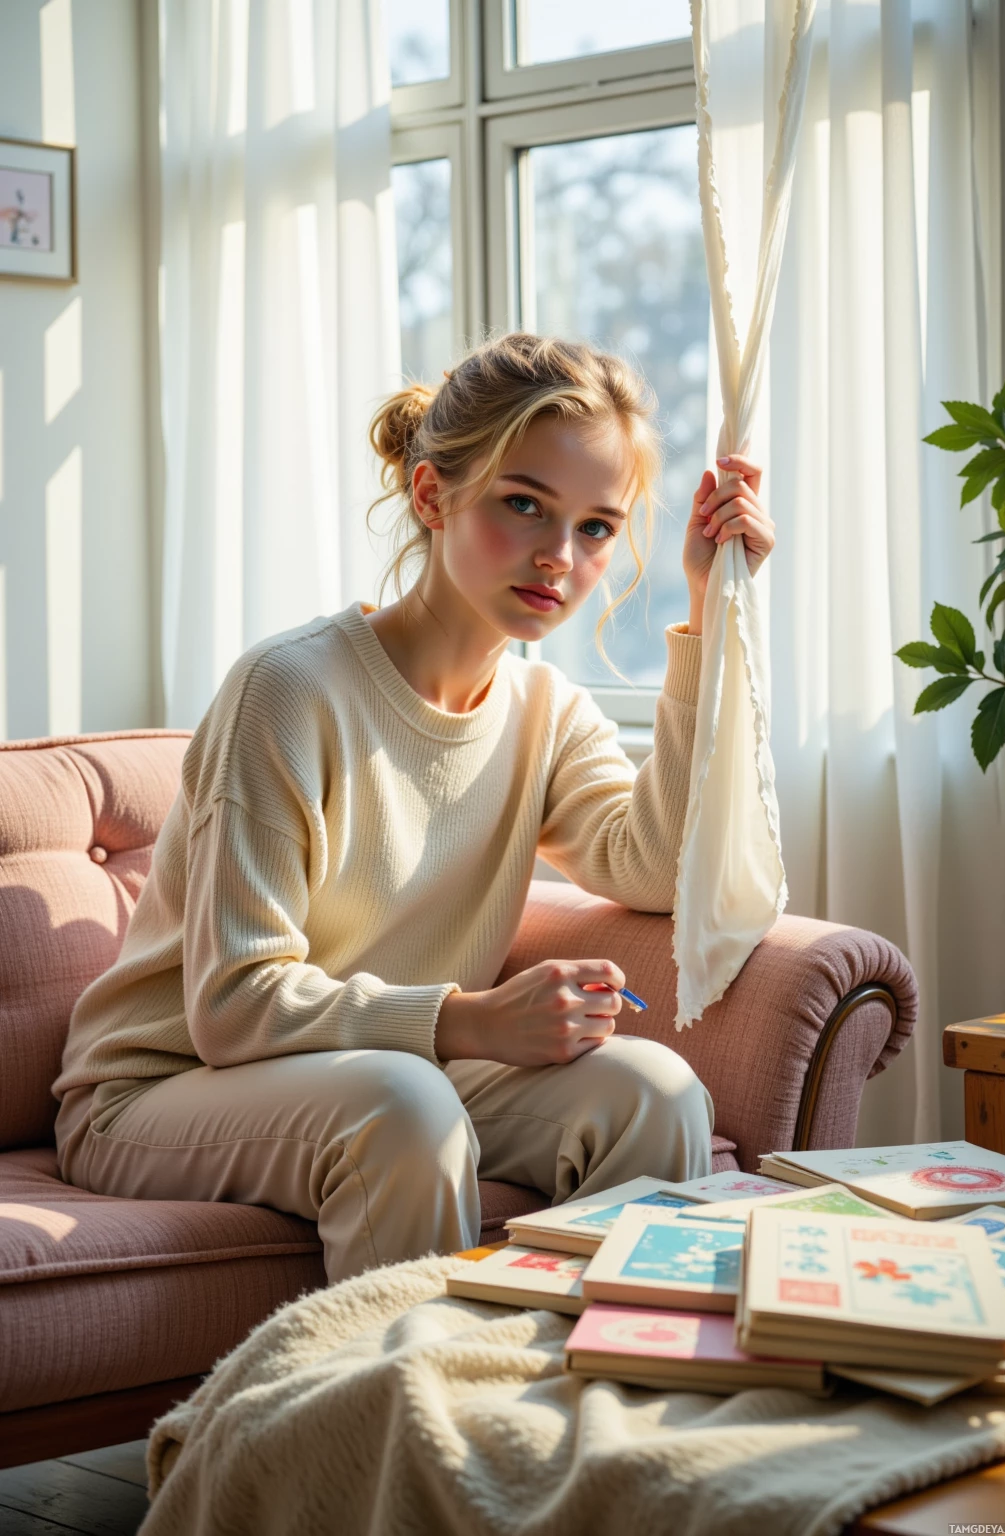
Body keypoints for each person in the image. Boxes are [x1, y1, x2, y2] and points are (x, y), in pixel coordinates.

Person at [52, 333, 775, 1284]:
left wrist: (707, 611)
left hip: (386, 1074)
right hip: (162, 1091)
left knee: (656, 1093)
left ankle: (594, 1404)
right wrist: (473, 1020)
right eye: (524, 505)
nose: (560, 556)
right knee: (403, 1104)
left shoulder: (545, 711)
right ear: (433, 497)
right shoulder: (289, 688)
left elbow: (653, 866)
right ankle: (406, 1418)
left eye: (598, 527)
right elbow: (230, 1006)